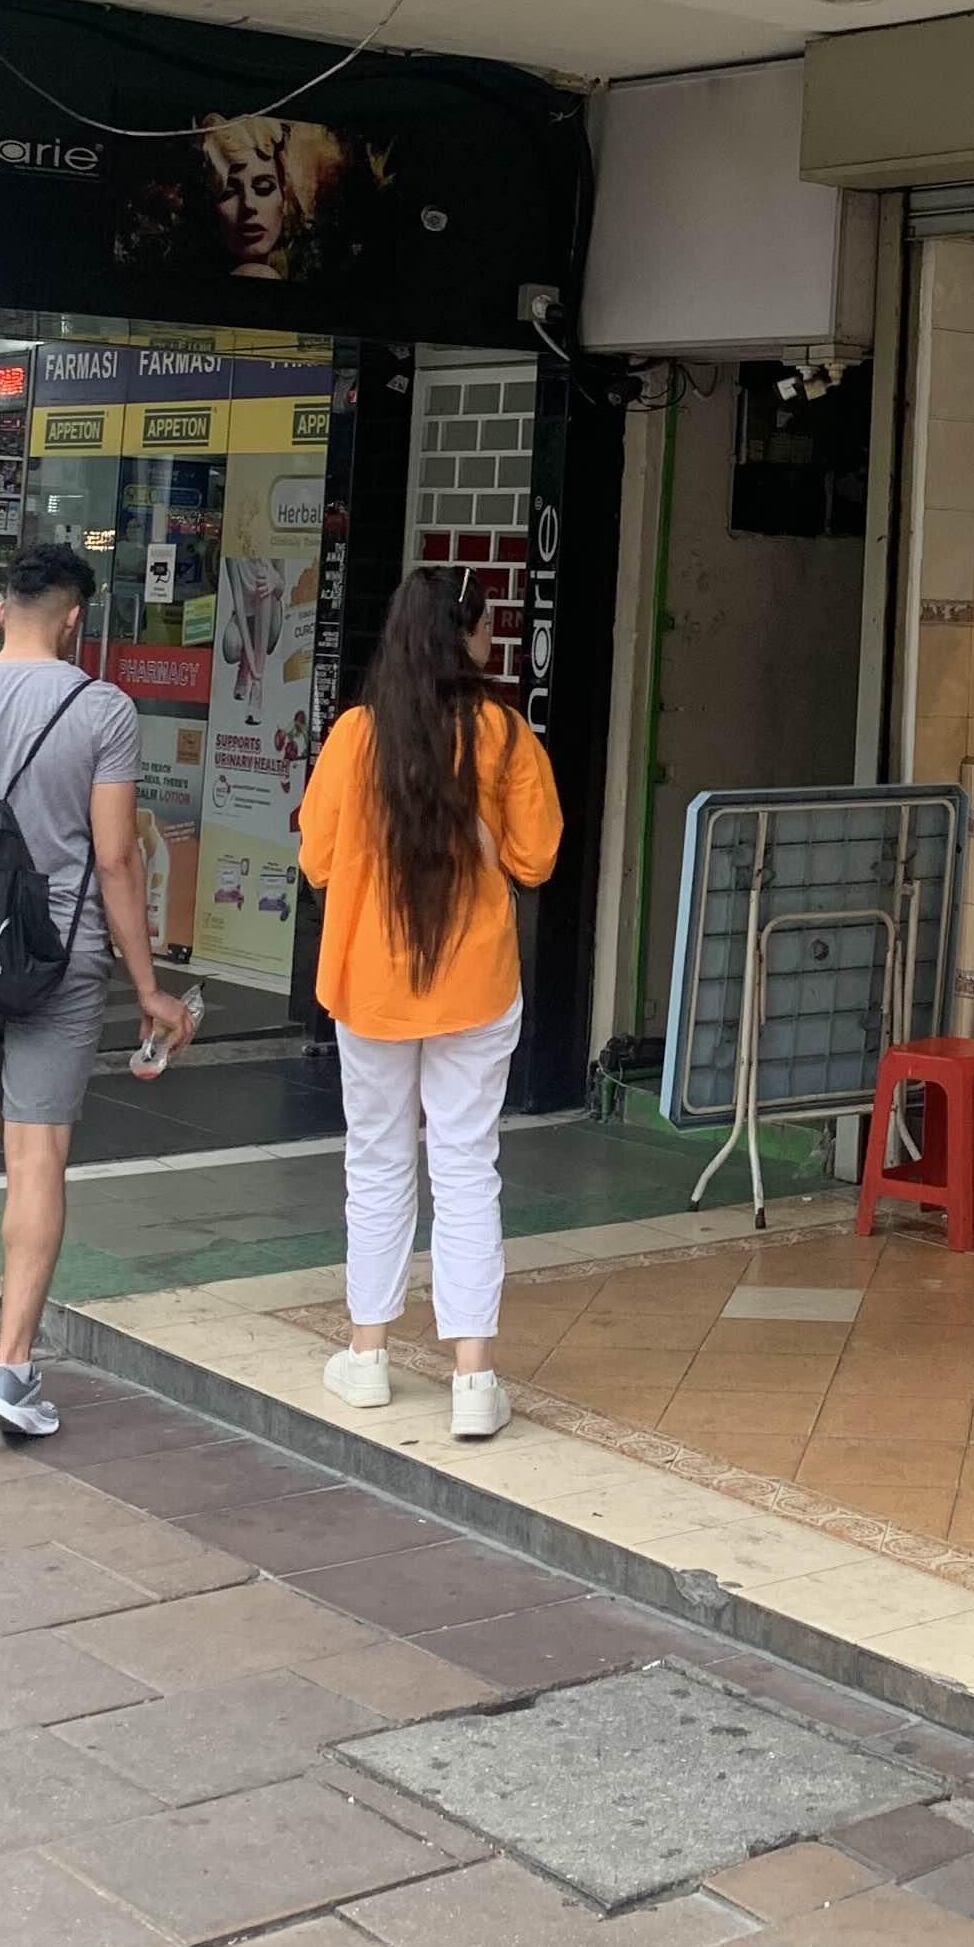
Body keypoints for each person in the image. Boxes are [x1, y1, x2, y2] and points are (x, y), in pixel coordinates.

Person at [0, 543, 196, 1439]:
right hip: (64, 959)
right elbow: (117, 858)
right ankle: (14, 1370)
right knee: (35, 1156)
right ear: (74, 619)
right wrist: (149, 987)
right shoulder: (102, 709)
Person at [298, 566, 563, 1445]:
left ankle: (367, 1357)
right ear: (464, 636)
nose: (494, 640)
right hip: (476, 984)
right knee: (466, 1168)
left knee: (376, 1163)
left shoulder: (355, 736)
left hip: (369, 984)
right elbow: (537, 860)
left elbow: (317, 861)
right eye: (487, 627)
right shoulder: (505, 734)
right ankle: (474, 1379)